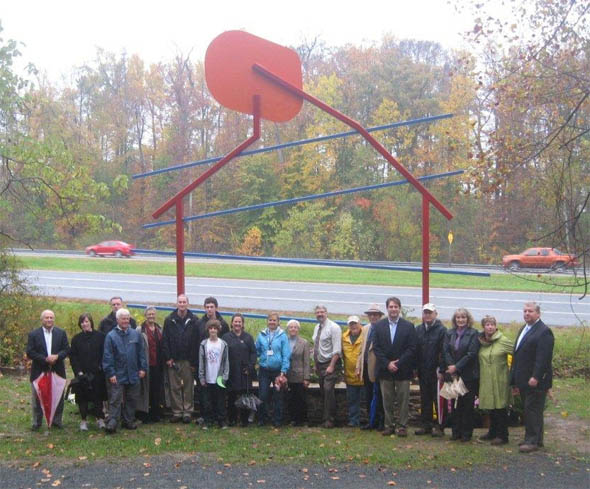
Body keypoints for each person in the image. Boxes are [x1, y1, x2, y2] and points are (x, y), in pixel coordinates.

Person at [510, 302, 554, 453]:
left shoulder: (544, 332)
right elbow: (518, 354)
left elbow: (543, 358)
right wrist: (514, 380)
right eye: (525, 311)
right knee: (530, 410)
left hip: (536, 381)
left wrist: (536, 376)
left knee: (532, 410)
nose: (527, 313)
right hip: (523, 379)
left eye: (530, 311)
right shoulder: (525, 328)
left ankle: (532, 441)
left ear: (538, 314)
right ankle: (536, 439)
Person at [373, 297, 417, 437]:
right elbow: (377, 348)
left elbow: (412, 348)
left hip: (403, 369)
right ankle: (389, 425)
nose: (393, 309)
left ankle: (402, 426)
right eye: (391, 307)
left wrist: (398, 363)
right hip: (385, 370)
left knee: (403, 400)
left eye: (396, 307)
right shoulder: (379, 326)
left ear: (400, 308)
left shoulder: (408, 326)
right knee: (387, 400)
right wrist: (387, 363)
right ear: (387, 309)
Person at [102, 308, 147, 434]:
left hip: (133, 372)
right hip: (118, 373)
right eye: (123, 318)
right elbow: (107, 356)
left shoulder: (135, 334)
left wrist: (143, 368)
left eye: (127, 318)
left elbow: (141, 353)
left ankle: (128, 420)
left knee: (132, 398)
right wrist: (111, 373)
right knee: (115, 399)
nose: (126, 321)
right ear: (117, 320)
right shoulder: (111, 336)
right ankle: (113, 422)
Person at [26, 310, 70, 430]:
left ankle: (57, 420)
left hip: (57, 370)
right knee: (37, 397)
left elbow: (66, 349)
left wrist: (57, 356)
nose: (49, 320)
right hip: (39, 370)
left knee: (58, 397)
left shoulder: (61, 333)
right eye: (47, 318)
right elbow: (30, 352)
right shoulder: (34, 334)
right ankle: (37, 422)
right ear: (42, 319)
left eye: (51, 317)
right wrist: (45, 359)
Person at [442, 308, 480, 442]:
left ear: (468, 319)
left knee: (467, 405)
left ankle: (466, 433)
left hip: (468, 375)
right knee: (454, 404)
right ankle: (455, 431)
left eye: (463, 317)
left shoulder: (474, 333)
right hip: (453, 376)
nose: (460, 320)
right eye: (458, 317)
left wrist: (457, 366)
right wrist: (452, 367)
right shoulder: (449, 333)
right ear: (454, 319)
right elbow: (445, 351)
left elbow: (471, 353)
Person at [162, 294, 199, 424]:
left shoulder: (195, 320)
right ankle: (177, 411)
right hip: (173, 359)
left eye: (184, 302)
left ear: (187, 304)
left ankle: (188, 411)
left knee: (189, 387)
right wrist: (168, 357)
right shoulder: (169, 320)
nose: (182, 304)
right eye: (180, 302)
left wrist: (194, 361)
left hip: (188, 360)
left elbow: (196, 342)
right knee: (174, 387)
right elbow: (165, 340)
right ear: (176, 304)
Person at [478, 315, 513, 445]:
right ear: (483, 327)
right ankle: (492, 432)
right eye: (487, 324)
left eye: (492, 324)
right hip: (486, 379)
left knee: (500, 407)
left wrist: (514, 373)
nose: (490, 327)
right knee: (491, 406)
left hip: (500, 379)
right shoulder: (481, 342)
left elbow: (517, 353)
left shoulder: (503, 341)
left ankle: (503, 435)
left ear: (496, 326)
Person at [69, 313, 107, 431]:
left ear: (91, 322)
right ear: (80, 324)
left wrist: (101, 367)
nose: (85, 324)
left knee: (98, 397)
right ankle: (83, 421)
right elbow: (73, 357)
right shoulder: (76, 339)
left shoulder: (101, 336)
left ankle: (100, 419)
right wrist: (78, 372)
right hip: (82, 374)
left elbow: (105, 354)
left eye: (87, 321)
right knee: (82, 398)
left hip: (97, 373)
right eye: (82, 322)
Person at [414, 303, 447, 437]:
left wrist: (441, 369)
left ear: (435, 314)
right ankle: (426, 425)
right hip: (423, 370)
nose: (427, 315)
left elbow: (444, 351)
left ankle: (440, 426)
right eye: (425, 313)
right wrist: (415, 368)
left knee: (438, 400)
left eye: (430, 313)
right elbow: (415, 350)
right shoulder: (418, 329)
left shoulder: (442, 330)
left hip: (436, 371)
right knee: (425, 399)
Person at [255, 312, 290, 427]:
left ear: (278, 322)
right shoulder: (262, 334)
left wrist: (283, 370)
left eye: (274, 320)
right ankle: (262, 418)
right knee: (263, 395)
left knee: (278, 396)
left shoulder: (282, 335)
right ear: (267, 321)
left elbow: (286, 354)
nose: (272, 322)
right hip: (264, 370)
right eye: (270, 320)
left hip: (277, 371)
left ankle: (277, 420)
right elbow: (257, 350)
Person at [222, 313, 257, 427]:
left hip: (244, 372)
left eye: (239, 322)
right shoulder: (226, 337)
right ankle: (231, 419)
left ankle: (244, 420)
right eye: (235, 321)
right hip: (231, 371)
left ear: (242, 324)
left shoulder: (248, 337)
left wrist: (250, 367)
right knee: (231, 396)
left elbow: (253, 353)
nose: (237, 324)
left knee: (245, 396)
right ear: (232, 323)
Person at [312, 305, 342, 428]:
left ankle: (330, 419)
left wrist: (331, 366)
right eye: (317, 312)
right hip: (320, 364)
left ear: (327, 313)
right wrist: (315, 364)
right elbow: (316, 346)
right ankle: (325, 418)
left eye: (322, 312)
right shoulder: (317, 327)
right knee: (323, 391)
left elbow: (337, 350)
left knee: (328, 389)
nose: (320, 314)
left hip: (331, 363)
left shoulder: (334, 327)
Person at [198, 319, 230, 429]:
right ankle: (208, 421)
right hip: (207, 377)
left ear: (218, 330)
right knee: (207, 401)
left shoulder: (223, 344)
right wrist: (201, 377)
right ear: (208, 330)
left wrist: (224, 377)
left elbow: (226, 362)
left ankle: (221, 421)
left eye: (215, 328)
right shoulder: (204, 344)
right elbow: (201, 362)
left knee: (220, 401)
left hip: (219, 377)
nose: (213, 330)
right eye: (211, 328)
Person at [358, 304, 385, 431]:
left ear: (380, 316)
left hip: (378, 368)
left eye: (375, 314)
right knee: (368, 395)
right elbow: (361, 349)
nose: (373, 317)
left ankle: (380, 421)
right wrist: (359, 366)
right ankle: (371, 420)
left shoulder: (384, 328)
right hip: (366, 367)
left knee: (379, 396)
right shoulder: (365, 329)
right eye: (370, 314)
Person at [137, 306, 164, 423]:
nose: (151, 316)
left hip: (157, 364)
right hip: (145, 364)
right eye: (149, 314)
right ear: (145, 315)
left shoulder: (159, 329)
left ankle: (155, 413)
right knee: (145, 390)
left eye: (153, 314)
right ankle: (144, 413)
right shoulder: (140, 330)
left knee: (156, 389)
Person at [285, 319, 310, 426]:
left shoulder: (304, 343)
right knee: (290, 398)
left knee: (301, 399)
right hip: (288, 374)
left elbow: (307, 361)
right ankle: (293, 419)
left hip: (300, 375)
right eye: (291, 327)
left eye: (295, 327)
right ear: (288, 329)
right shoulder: (284, 341)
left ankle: (303, 420)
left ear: (298, 329)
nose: (293, 329)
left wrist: (306, 377)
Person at [342, 315, 364, 427]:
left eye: (355, 323)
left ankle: (367, 420)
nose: (353, 326)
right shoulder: (344, 338)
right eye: (351, 324)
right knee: (352, 400)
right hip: (349, 375)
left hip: (363, 375)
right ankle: (353, 420)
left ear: (360, 324)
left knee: (365, 400)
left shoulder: (365, 335)